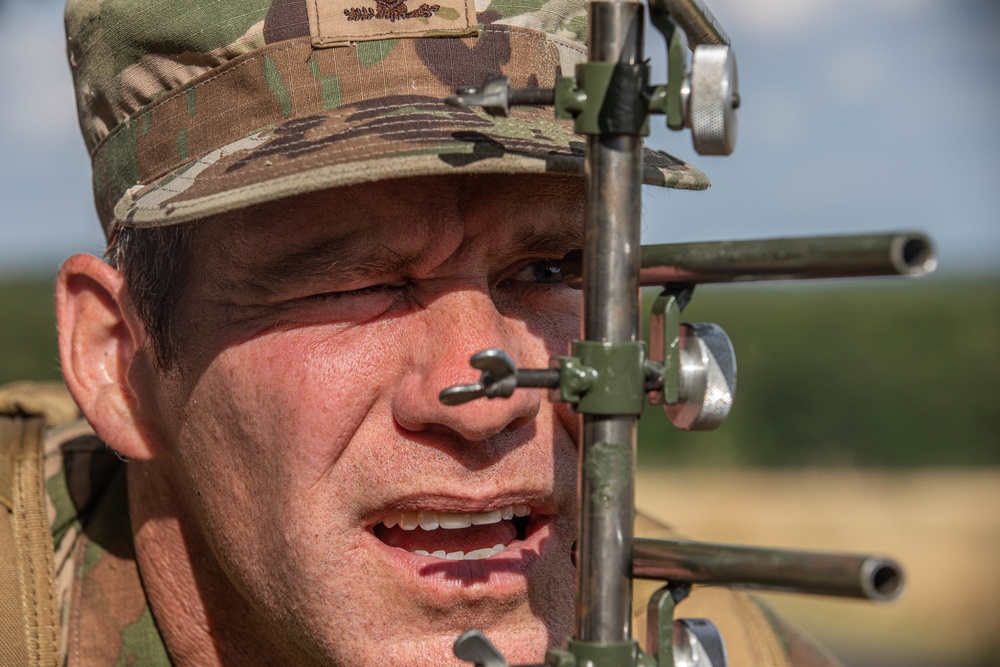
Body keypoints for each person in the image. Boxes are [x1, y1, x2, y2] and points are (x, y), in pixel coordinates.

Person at [0, 0, 842, 664]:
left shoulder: (720, 636)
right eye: (359, 281)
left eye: (549, 268)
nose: (480, 403)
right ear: (117, 359)